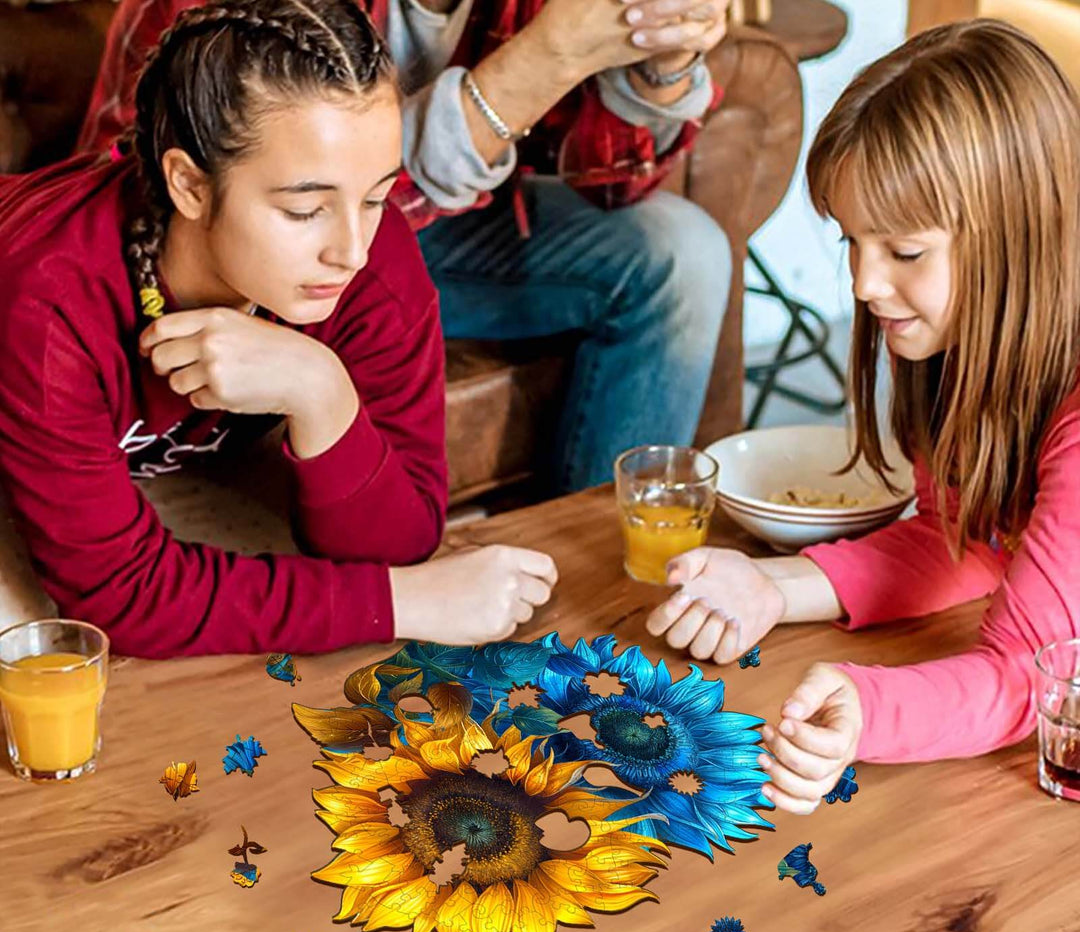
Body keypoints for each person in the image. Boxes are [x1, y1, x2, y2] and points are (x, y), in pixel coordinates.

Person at [0, 0, 556, 659]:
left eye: (375, 197)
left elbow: (401, 538)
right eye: (305, 210)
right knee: (34, 652)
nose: (351, 249)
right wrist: (408, 601)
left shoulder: (370, 255)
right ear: (188, 185)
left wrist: (322, 392)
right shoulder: (49, 298)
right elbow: (123, 598)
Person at [646, 19, 1080, 813]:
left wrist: (867, 709)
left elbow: (1033, 673)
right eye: (852, 241)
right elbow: (966, 538)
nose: (862, 283)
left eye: (904, 252)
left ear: (1023, 236)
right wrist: (773, 587)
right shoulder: (963, 349)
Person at [77, 0, 734, 493]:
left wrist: (660, 64)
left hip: (437, 225)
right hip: (239, 249)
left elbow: (617, 187)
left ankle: (604, 558)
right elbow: (152, 205)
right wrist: (543, 60)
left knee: (681, 252)